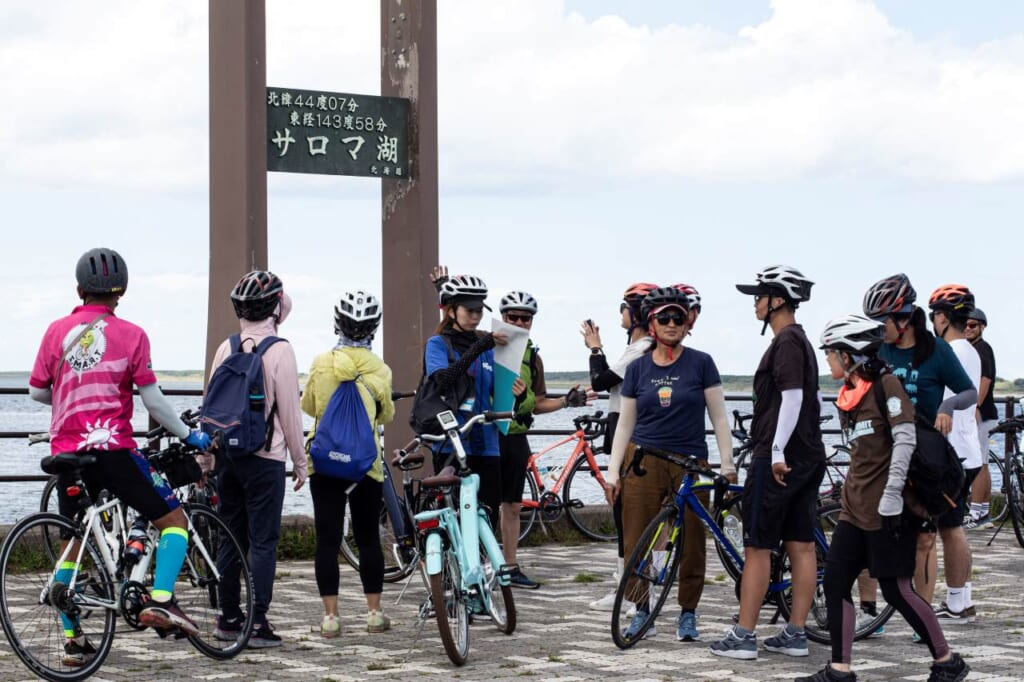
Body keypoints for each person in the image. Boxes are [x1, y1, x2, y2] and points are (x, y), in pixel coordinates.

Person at [29, 247, 213, 665]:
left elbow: (38, 391)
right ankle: (162, 599)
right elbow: (154, 401)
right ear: (121, 291)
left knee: (73, 545)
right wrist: (190, 435)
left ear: (79, 290)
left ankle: (73, 641)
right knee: (174, 520)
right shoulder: (133, 335)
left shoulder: (55, 331)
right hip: (112, 448)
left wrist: (70, 403)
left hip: (66, 451)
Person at [795, 315, 969, 682]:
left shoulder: (886, 385)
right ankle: (840, 670)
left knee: (896, 590)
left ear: (849, 354)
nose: (827, 359)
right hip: (854, 510)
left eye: (831, 352)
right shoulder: (850, 396)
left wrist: (891, 495)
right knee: (836, 583)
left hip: (889, 511)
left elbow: (905, 439)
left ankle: (947, 660)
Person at [605, 286, 735, 643]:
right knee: (637, 540)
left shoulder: (701, 362)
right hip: (644, 460)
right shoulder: (637, 368)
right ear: (652, 323)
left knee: (691, 541)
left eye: (679, 317)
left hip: (690, 463)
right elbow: (625, 425)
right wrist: (613, 472)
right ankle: (641, 610)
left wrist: (727, 463)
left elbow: (720, 419)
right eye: (665, 317)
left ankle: (688, 613)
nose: (673, 323)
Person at [711, 265, 825, 661]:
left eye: (759, 296)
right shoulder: (802, 342)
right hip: (809, 454)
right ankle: (795, 633)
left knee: (758, 546)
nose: (755, 303)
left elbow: (792, 397)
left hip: (778, 459)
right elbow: (814, 400)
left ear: (778, 299)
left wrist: (775, 451)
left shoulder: (786, 342)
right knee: (801, 545)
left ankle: (744, 636)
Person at [860, 273, 976, 637]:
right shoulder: (877, 350)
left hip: (923, 456)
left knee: (925, 538)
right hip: (882, 451)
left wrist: (947, 404)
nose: (878, 330)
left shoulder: (935, 350)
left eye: (883, 323)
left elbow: (969, 393)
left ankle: (920, 618)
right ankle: (870, 612)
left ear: (904, 319)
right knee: (869, 529)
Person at [209, 270, 308, 648]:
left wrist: (207, 457)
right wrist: (300, 463)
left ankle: (228, 618)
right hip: (265, 458)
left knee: (229, 536)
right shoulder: (281, 350)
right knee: (263, 541)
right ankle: (258, 622)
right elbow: (290, 415)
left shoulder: (226, 347)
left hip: (228, 455)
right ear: (276, 308)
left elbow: (211, 406)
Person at [301, 290, 395, 636]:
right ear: (374, 327)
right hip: (365, 466)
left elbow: (309, 406)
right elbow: (386, 413)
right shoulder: (380, 369)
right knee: (368, 538)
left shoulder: (321, 362)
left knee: (327, 540)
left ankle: (330, 618)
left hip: (324, 464)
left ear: (337, 323)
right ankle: (373, 613)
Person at [497, 291, 591, 590]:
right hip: (486, 435)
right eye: (514, 317)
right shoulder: (487, 349)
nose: (520, 322)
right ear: (503, 318)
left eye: (526, 318)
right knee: (481, 505)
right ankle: (478, 565)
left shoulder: (531, 356)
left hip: (515, 436)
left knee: (512, 506)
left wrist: (566, 401)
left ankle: (510, 568)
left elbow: (537, 402)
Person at [582, 282, 657, 611]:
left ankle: (636, 591)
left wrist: (595, 349)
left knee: (628, 513)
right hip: (621, 424)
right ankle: (626, 587)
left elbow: (601, 380)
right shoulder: (638, 348)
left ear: (638, 312)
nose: (620, 315)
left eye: (624, 309)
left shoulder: (642, 348)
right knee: (621, 512)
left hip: (628, 429)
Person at [424, 273, 508, 530]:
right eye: (470, 310)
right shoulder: (438, 344)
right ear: (451, 311)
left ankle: (484, 568)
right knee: (454, 521)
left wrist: (517, 390)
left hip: (487, 443)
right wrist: (479, 347)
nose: (476, 316)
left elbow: (497, 389)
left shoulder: (488, 347)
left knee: (488, 516)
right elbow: (443, 380)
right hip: (452, 445)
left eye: (480, 310)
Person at [926, 285, 981, 625]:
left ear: (943, 318)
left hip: (952, 453)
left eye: (934, 315)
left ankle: (957, 604)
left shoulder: (951, 351)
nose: (932, 321)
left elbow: (941, 402)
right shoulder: (970, 350)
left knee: (947, 530)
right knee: (953, 526)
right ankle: (963, 599)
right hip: (969, 450)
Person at [965, 308, 998, 530]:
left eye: (973, 325)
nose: (968, 329)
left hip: (981, 413)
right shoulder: (973, 348)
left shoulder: (982, 349)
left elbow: (985, 380)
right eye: (965, 325)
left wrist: (975, 406)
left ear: (982, 327)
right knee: (982, 463)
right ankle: (983, 512)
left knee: (978, 464)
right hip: (985, 413)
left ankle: (976, 513)